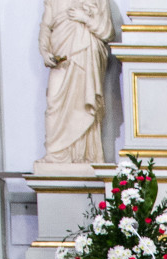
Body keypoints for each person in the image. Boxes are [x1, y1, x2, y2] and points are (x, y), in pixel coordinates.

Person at [39, 0, 112, 164]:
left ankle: (84, 155)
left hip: (86, 59)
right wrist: (44, 51)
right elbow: (45, 27)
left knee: (83, 101)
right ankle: (55, 154)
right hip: (61, 58)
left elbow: (107, 32)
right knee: (53, 103)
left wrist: (85, 18)